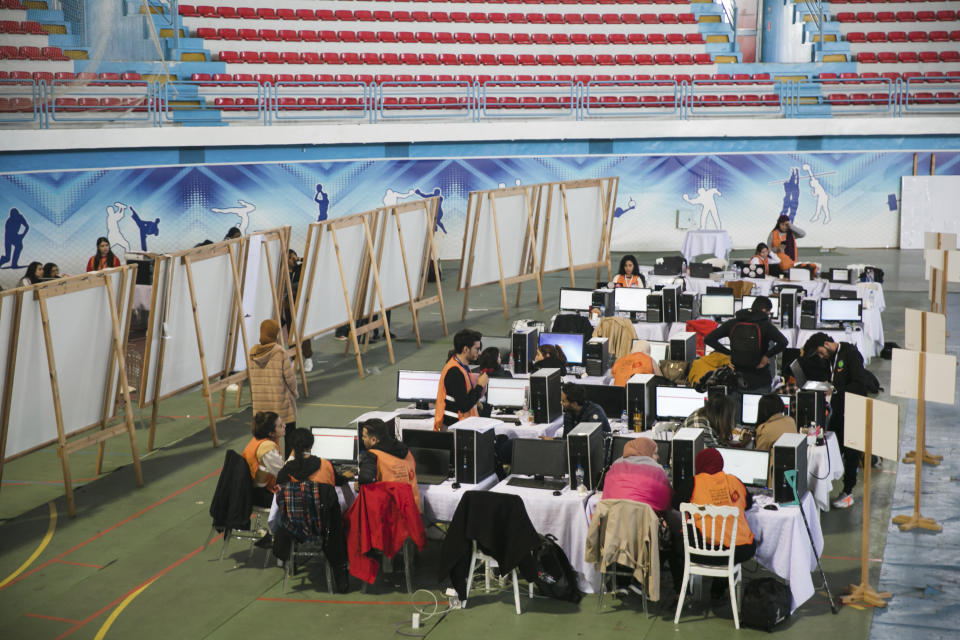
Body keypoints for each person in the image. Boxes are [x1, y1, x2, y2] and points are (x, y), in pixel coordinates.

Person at [602, 437, 684, 596]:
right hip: (643, 536)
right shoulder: (656, 471)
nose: (658, 458)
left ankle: (618, 581)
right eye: (655, 453)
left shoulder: (615, 466)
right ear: (645, 453)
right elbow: (667, 503)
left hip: (613, 534)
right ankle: (642, 581)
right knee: (671, 535)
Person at [801, 332, 869, 509]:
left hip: (854, 410)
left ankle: (848, 492)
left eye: (821, 352)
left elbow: (860, 384)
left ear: (826, 343)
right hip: (839, 410)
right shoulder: (833, 357)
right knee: (833, 446)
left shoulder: (851, 354)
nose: (821, 357)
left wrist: (835, 389)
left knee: (852, 451)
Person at [682, 447, 755, 599]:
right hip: (740, 550)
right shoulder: (735, 481)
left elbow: (676, 504)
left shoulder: (693, 483)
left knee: (683, 534)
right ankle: (718, 590)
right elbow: (748, 503)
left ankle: (685, 592)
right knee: (730, 539)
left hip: (701, 552)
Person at [705, 295, 788, 394]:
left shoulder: (733, 323)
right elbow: (783, 342)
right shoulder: (766, 326)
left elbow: (709, 339)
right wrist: (766, 356)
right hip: (759, 379)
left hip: (736, 379)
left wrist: (729, 353)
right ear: (764, 310)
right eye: (769, 312)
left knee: (735, 409)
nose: (769, 315)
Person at [249, 319, 298, 456]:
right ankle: (288, 468)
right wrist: (295, 393)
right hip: (281, 405)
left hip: (261, 407)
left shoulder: (252, 353)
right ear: (275, 334)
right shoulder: (280, 352)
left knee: (264, 442)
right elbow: (290, 379)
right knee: (290, 439)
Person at [358, 418, 421, 511]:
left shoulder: (372, 456)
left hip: (390, 514)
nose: (362, 439)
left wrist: (358, 484)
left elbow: (365, 478)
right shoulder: (407, 452)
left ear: (374, 440)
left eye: (364, 436)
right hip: (413, 512)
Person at [434, 329, 488, 431]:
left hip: (460, 425)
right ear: (465, 349)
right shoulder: (454, 372)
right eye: (477, 349)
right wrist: (480, 386)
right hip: (454, 429)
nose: (479, 352)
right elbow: (464, 406)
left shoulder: (461, 366)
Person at [277, 427, 353, 486]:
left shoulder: (285, 471)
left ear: (292, 447)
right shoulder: (326, 464)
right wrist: (345, 477)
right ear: (311, 445)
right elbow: (338, 481)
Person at [241, 411, 286, 508]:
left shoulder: (260, 440)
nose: (285, 426)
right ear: (271, 433)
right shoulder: (267, 448)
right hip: (261, 495)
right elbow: (283, 474)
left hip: (257, 489)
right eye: (280, 425)